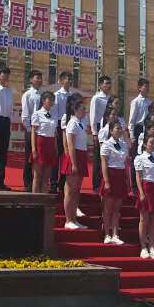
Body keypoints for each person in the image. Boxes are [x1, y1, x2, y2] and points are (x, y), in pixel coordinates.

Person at [134, 127, 154, 259]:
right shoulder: (140, 158)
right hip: (146, 189)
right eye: (150, 143)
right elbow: (138, 177)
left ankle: (152, 247)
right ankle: (143, 247)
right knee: (144, 219)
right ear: (145, 144)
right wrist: (141, 193)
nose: (153, 145)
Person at [60, 94, 89, 230]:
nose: (84, 111)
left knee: (77, 190)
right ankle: (68, 220)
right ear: (75, 110)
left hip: (81, 155)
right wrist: (74, 163)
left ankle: (74, 219)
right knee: (70, 190)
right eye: (82, 109)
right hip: (74, 156)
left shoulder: (81, 123)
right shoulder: (72, 123)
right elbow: (70, 145)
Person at [99, 119, 129, 245]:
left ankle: (115, 234)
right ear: (111, 131)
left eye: (121, 128)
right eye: (117, 128)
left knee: (117, 208)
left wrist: (127, 179)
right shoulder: (106, 144)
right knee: (108, 208)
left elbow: (125, 163)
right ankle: (107, 234)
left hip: (120, 176)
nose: (120, 130)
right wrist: (106, 181)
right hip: (111, 175)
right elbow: (104, 163)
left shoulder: (124, 145)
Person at [30, 91, 58, 195]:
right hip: (40, 144)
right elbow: (33, 132)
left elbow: (54, 133)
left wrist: (55, 148)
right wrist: (34, 149)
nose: (51, 102)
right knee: (37, 176)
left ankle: (44, 200)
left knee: (46, 177)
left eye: (53, 100)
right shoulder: (37, 114)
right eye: (49, 99)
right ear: (43, 101)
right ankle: (35, 201)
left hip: (50, 144)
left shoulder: (54, 115)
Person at [20, 70, 43, 191]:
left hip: (42, 132)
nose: (39, 80)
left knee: (41, 158)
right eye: (37, 77)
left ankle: (39, 182)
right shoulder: (27, 95)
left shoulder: (43, 95)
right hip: (31, 131)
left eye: (40, 78)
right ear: (31, 80)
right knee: (29, 157)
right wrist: (30, 130)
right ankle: (28, 183)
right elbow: (25, 115)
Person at [89, 74, 113, 192]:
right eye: (106, 83)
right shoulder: (96, 98)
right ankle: (96, 185)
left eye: (109, 83)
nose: (108, 86)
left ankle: (106, 182)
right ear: (100, 85)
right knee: (99, 157)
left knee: (109, 156)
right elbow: (93, 116)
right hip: (99, 127)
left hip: (110, 127)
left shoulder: (111, 99)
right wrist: (94, 133)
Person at [51, 71, 73, 192]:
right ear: (61, 81)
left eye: (70, 79)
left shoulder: (72, 96)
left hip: (70, 126)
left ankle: (63, 182)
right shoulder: (57, 95)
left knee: (67, 155)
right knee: (57, 155)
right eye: (66, 79)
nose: (69, 81)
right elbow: (54, 113)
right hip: (59, 126)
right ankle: (53, 182)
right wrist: (55, 128)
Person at [127, 78, 151, 142]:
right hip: (138, 128)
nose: (147, 88)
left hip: (148, 129)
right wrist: (131, 135)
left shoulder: (149, 102)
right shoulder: (136, 101)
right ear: (139, 88)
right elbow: (132, 119)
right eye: (145, 86)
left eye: (148, 87)